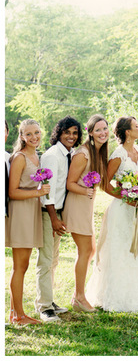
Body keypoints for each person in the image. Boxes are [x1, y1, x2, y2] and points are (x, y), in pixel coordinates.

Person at [87, 116, 138, 312]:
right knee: (119, 250)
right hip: (121, 210)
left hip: (136, 211)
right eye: (136, 126)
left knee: (136, 250)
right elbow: (105, 184)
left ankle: (136, 295)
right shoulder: (118, 154)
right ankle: (115, 297)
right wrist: (126, 196)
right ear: (127, 132)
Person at [36, 116, 81, 322]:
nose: (71, 136)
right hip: (49, 213)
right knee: (45, 261)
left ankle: (48, 299)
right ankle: (44, 307)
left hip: (59, 212)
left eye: (75, 132)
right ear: (59, 133)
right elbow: (47, 192)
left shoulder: (68, 154)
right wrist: (54, 218)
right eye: (67, 132)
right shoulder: (53, 155)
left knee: (53, 260)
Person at [6, 119, 50, 325]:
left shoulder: (36, 155)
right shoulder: (20, 157)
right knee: (20, 267)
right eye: (29, 134)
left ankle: (14, 313)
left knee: (22, 266)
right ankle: (19, 316)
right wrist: (38, 192)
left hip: (32, 211)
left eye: (37, 133)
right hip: (21, 212)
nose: (34, 137)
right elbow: (12, 192)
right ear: (22, 136)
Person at [63, 114, 109, 313]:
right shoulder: (83, 153)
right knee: (85, 250)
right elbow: (70, 183)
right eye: (98, 129)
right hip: (77, 205)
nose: (102, 133)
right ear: (90, 133)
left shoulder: (99, 153)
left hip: (87, 206)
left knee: (89, 250)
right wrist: (86, 190)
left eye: (105, 128)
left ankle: (79, 296)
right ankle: (79, 298)